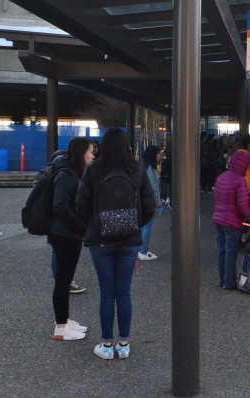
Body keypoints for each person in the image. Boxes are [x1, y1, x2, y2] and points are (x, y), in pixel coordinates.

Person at [77, 127, 156, 360]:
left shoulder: (94, 170)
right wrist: (133, 225)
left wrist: (94, 225)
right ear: (126, 146)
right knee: (123, 292)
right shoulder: (137, 170)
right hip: (129, 241)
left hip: (101, 241)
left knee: (106, 293)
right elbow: (149, 206)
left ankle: (106, 344)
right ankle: (123, 344)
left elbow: (81, 206)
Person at [48, 137, 94, 341]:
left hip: (67, 234)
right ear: (81, 153)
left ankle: (65, 320)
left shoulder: (70, 171)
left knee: (64, 279)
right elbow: (60, 206)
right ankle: (60, 327)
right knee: (63, 281)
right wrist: (80, 226)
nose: (93, 156)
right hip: (64, 234)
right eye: (91, 152)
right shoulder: (67, 174)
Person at [211, 149, 250, 289]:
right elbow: (243, 206)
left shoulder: (222, 176)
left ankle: (222, 280)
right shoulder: (240, 181)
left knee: (221, 250)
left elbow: (215, 196)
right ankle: (229, 283)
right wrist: (248, 215)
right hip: (232, 222)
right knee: (231, 252)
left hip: (218, 219)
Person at [138, 145, 163, 261]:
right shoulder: (150, 169)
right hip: (149, 202)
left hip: (144, 201)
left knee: (144, 226)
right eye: (158, 153)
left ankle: (141, 250)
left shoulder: (145, 167)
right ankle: (143, 251)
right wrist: (157, 203)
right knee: (147, 226)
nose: (160, 156)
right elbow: (153, 188)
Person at [234, 134, 250, 213]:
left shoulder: (240, 155)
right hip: (247, 194)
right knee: (245, 220)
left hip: (243, 193)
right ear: (249, 145)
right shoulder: (245, 159)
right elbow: (247, 178)